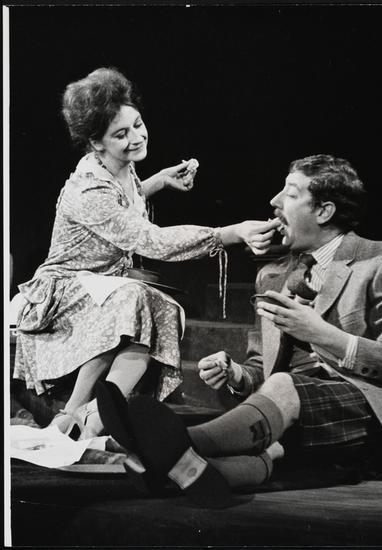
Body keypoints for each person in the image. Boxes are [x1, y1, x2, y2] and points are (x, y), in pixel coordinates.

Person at [95, 154, 382, 504]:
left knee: (283, 393)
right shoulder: (273, 276)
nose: (274, 201)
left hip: (372, 414)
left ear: (324, 211)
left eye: (291, 193)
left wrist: (321, 334)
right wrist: (237, 374)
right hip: (298, 423)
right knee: (269, 450)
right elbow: (262, 370)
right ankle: (176, 471)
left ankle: (175, 442)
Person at [12, 67, 279, 440]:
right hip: (63, 288)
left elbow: (125, 199)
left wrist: (158, 181)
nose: (136, 137)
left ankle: (98, 418)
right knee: (135, 297)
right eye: (121, 134)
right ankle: (73, 412)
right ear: (96, 143)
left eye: (137, 125)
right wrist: (228, 234)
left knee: (163, 308)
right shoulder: (88, 189)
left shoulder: (120, 167)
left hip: (103, 283)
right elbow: (152, 240)